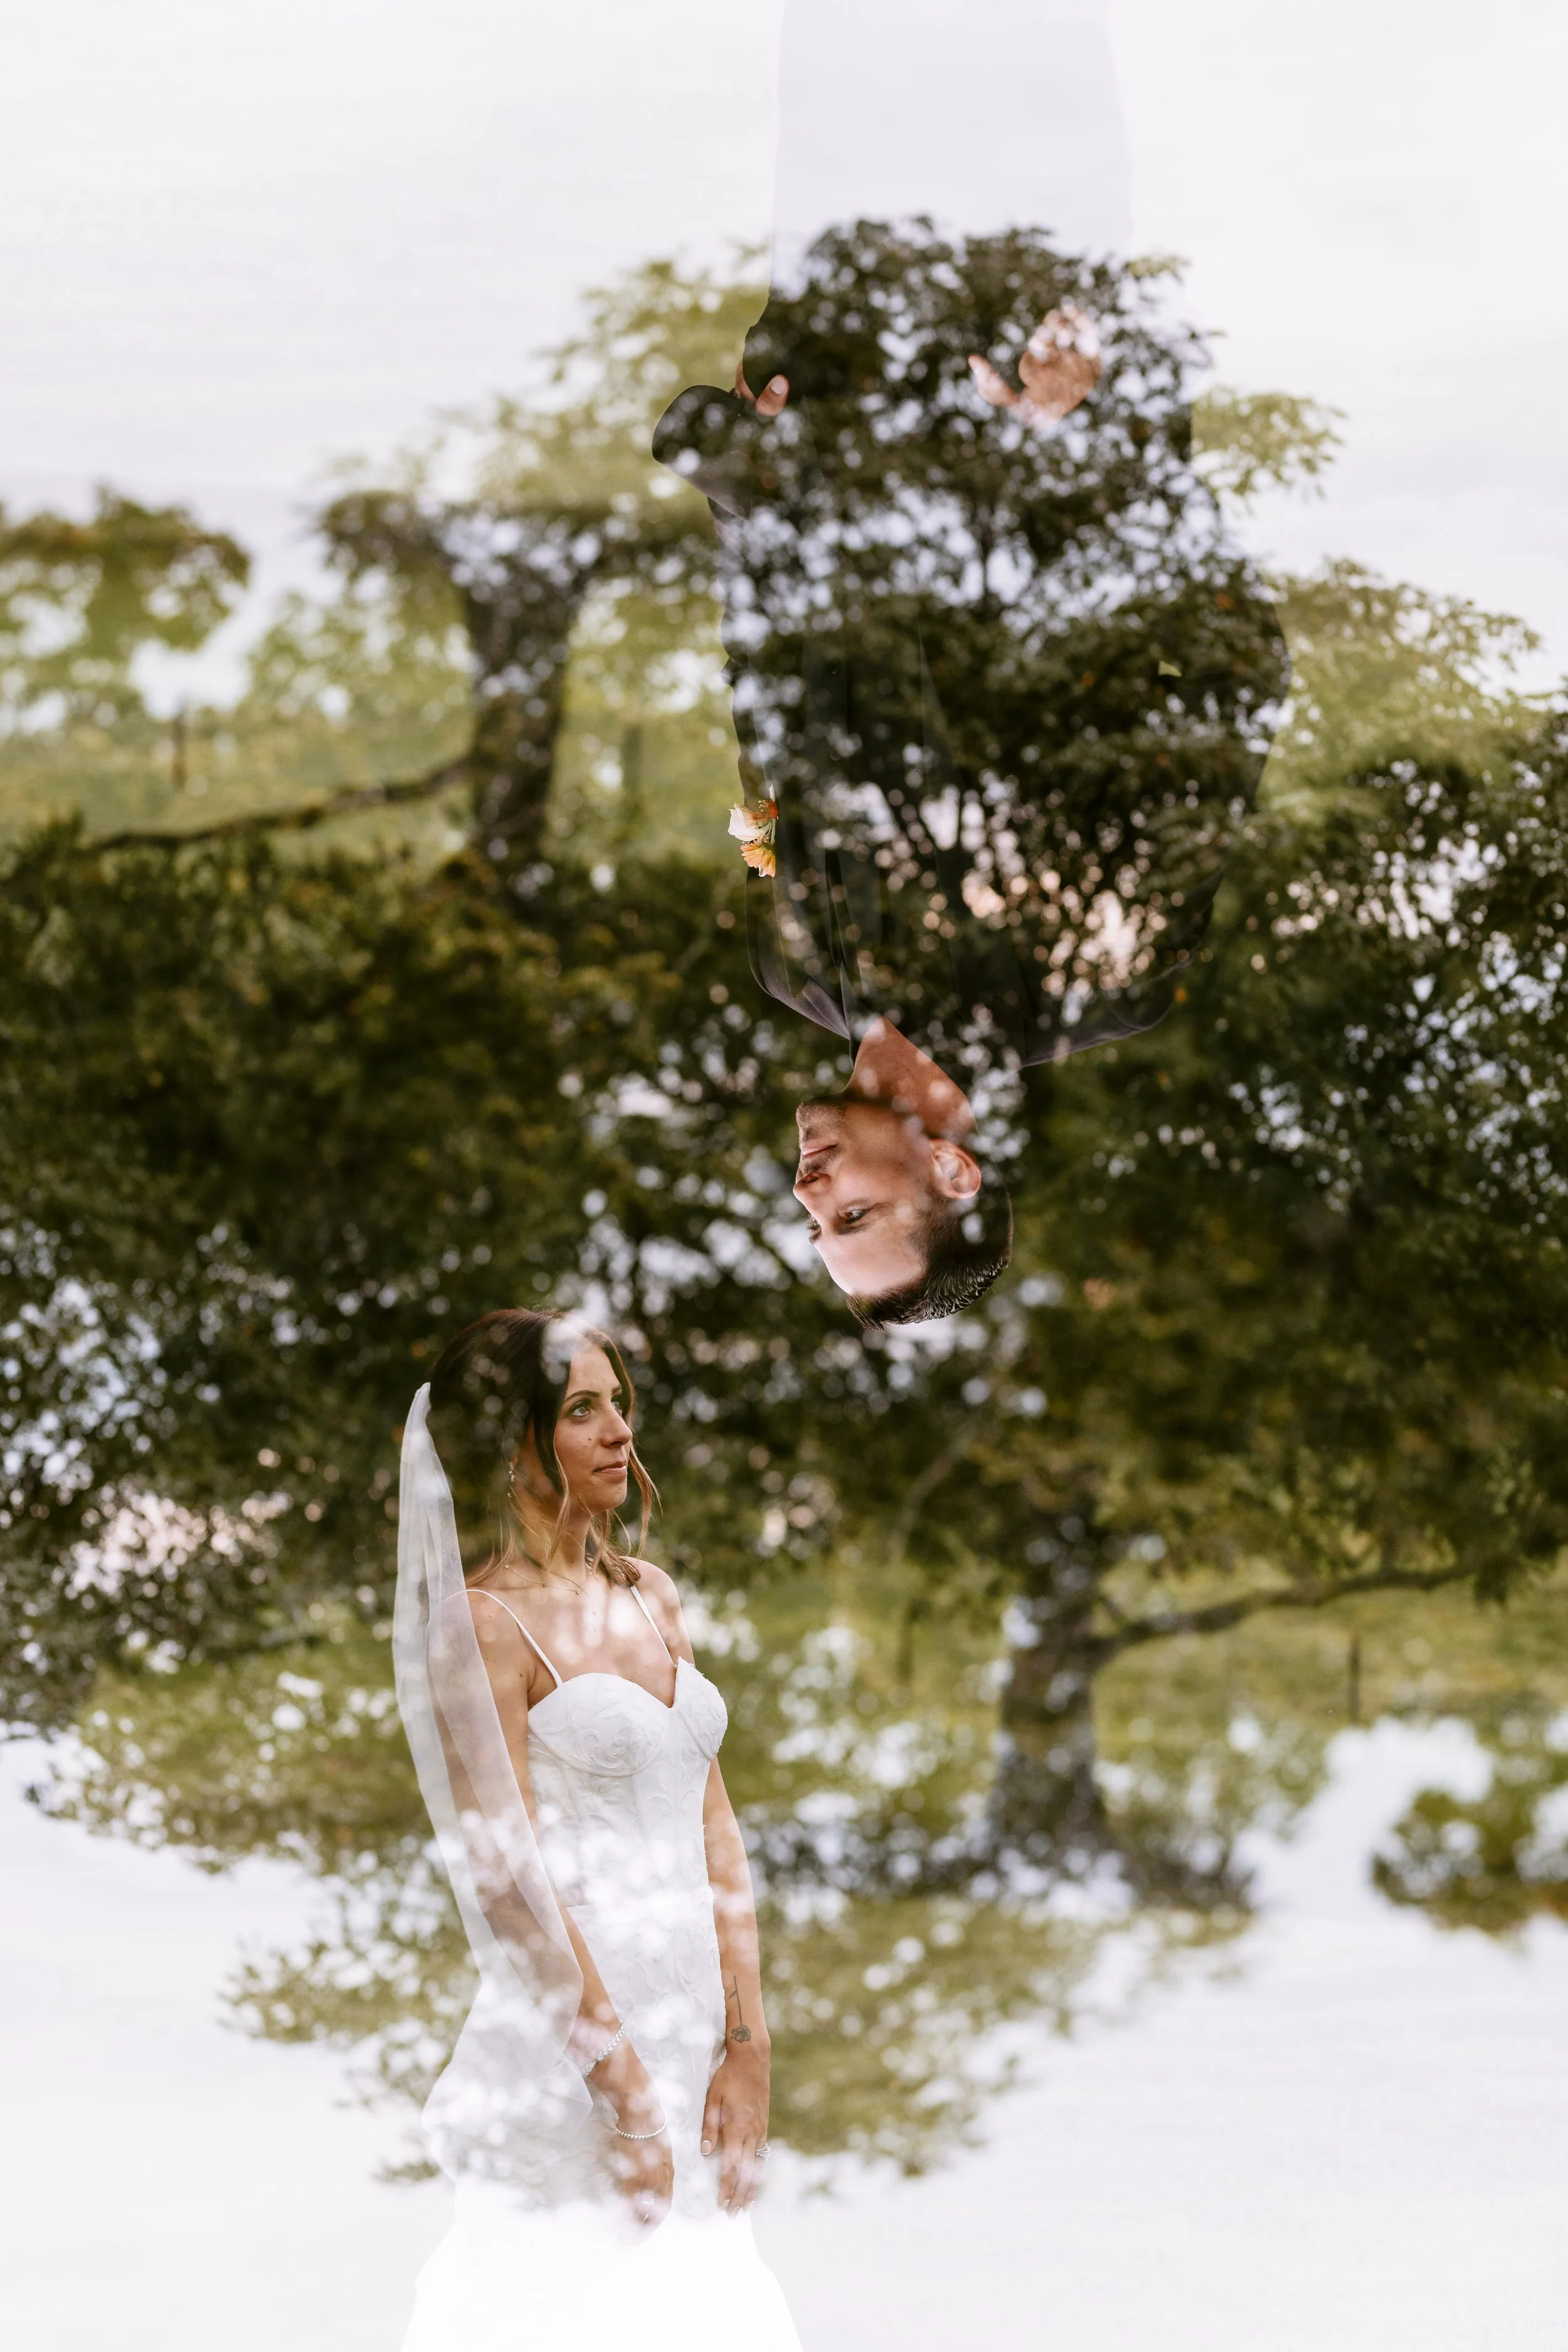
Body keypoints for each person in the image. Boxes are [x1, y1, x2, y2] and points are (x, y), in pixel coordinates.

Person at [656, 222, 1288, 1325]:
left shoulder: (787, 966)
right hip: (1015, 346)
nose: (809, 1193)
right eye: (851, 1216)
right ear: (954, 1172)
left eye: (817, 1224)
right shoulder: (1107, 977)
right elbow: (1234, 677)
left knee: (836, 69)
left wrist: (747, 497)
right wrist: (1085, 431)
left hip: (835, 346)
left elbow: (769, 697)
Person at [395, 1308, 800, 2351]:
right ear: (515, 1441)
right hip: (576, 2045)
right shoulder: (483, 1622)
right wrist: (621, 2092)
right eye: (583, 1409)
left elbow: (718, 1827)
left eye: (619, 1401)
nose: (620, 1429)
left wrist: (748, 2043)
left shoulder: (651, 1595)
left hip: (696, 2023)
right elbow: (505, 1878)